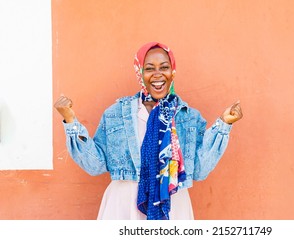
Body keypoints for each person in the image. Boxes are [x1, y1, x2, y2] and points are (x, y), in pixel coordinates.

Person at [54, 41, 243, 220]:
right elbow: (95, 165)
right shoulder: (116, 113)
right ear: (140, 72)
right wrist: (70, 120)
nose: (158, 74)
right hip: (124, 206)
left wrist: (224, 124)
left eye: (164, 67)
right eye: (150, 68)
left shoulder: (188, 117)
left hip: (173, 204)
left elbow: (200, 170)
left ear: (173, 71)